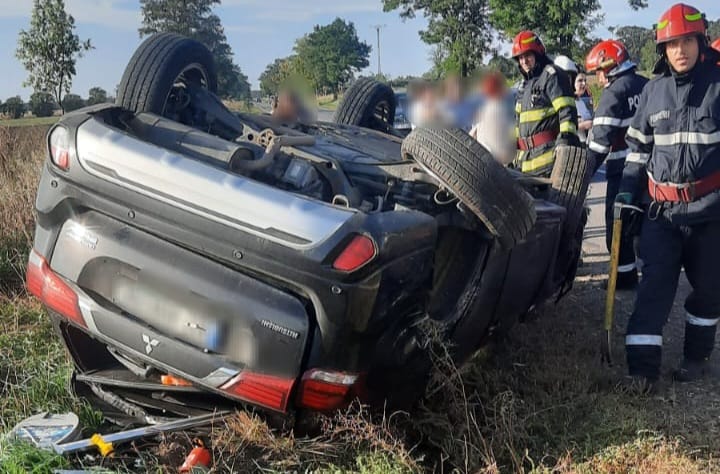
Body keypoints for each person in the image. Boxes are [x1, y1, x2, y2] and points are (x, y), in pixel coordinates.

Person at [618, 3, 720, 391]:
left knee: (711, 289)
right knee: (654, 287)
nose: (681, 50)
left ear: (701, 41)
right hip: (662, 213)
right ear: (663, 49)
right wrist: (627, 192)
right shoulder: (652, 91)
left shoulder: (718, 85)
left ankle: (696, 357)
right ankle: (641, 370)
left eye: (688, 41)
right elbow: (637, 150)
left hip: (711, 213)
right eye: (673, 43)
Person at [584, 39, 649, 290]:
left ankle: (624, 278)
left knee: (618, 225)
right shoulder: (647, 85)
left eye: (599, 72)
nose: (598, 79)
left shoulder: (614, 92)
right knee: (644, 225)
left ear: (611, 66)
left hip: (622, 171)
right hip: (650, 170)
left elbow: (600, 142)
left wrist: (583, 174)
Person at [511, 31, 578, 176]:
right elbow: (518, 125)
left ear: (538, 53)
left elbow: (567, 111)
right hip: (525, 166)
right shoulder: (524, 86)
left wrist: (565, 141)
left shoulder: (552, 76)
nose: (524, 61)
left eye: (528, 55)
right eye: (520, 58)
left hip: (550, 163)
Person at [469, 71, 515, 165]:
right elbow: (512, 139)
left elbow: (471, 136)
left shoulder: (482, 112)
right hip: (500, 167)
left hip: (482, 164)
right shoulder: (502, 110)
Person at [553, 55, 593, 142]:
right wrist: (583, 125)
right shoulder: (562, 102)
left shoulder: (581, 102)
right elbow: (558, 128)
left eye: (585, 81)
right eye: (580, 81)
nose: (583, 84)